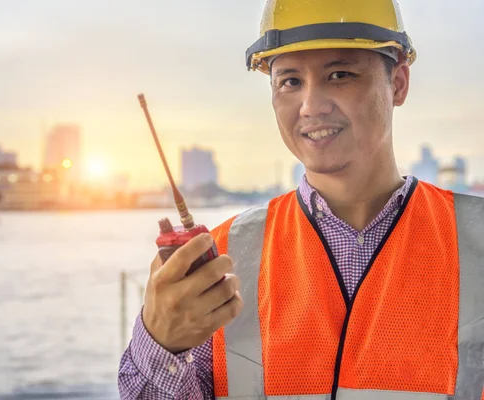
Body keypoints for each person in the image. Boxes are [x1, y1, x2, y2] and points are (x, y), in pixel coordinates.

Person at [118, 0, 484, 398]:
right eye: (290, 82)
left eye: (340, 74)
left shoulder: (477, 243)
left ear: (398, 83)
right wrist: (162, 343)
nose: (311, 106)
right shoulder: (219, 262)